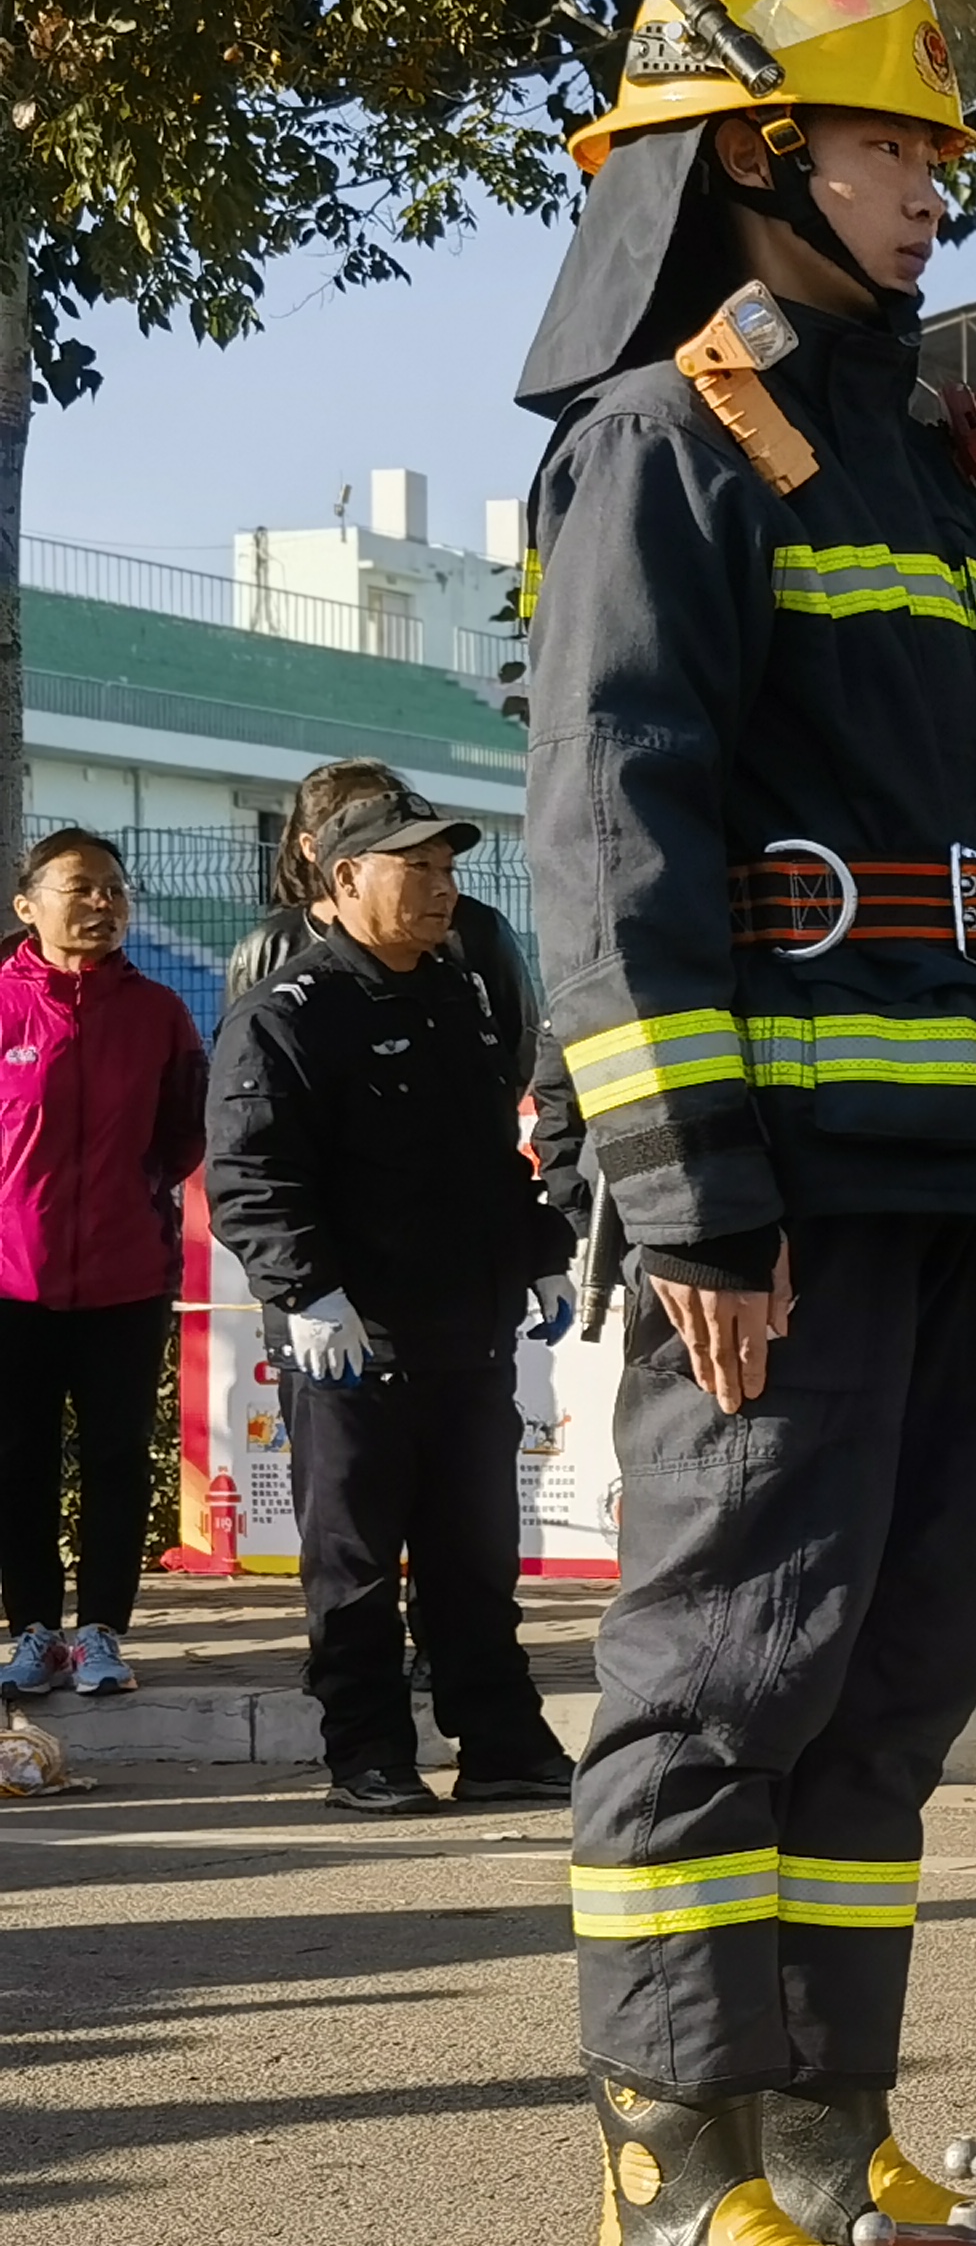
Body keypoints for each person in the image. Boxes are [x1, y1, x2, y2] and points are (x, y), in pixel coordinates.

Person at [516, 0, 976, 2246]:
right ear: (757, 152)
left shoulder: (914, 445)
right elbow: (614, 834)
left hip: (964, 1169)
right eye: (896, 142)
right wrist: (686, 1187)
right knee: (726, 1673)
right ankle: (668, 2170)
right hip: (780, 1184)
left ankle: (818, 2124)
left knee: (894, 1671)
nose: (934, 189)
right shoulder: (668, 436)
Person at [204, 791, 577, 1815]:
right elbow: (251, 1177)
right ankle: (366, 1752)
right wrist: (309, 1293)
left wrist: (542, 1252)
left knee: (475, 1558)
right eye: (414, 869)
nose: (440, 888)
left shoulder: (454, 997)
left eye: (447, 869)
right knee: (355, 1567)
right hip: (352, 1344)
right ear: (345, 881)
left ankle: (500, 1742)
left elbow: (493, 1161)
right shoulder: (287, 1017)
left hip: (468, 1333)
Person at [0, 831, 200, 1703]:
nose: (102, 906)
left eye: (114, 891)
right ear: (27, 906)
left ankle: (103, 1632)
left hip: (127, 1276)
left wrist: (140, 1192)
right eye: (81, 889)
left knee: (119, 1457)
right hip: (11, 1283)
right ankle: (33, 1630)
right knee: (19, 1457)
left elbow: (184, 1130)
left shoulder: (158, 1012)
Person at [226, 756, 541, 1074]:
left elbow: (523, 1049)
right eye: (358, 820)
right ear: (313, 848)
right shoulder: (268, 948)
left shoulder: (474, 928)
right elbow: (245, 1068)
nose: (444, 889)